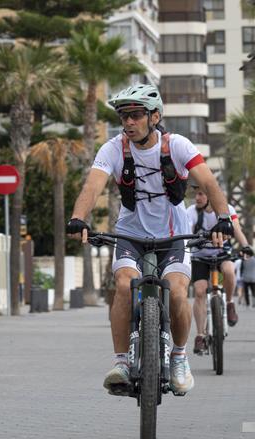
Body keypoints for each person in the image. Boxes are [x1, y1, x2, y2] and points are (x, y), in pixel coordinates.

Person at [66, 83, 234, 396]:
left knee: (177, 291)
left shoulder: (178, 146)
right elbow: (92, 187)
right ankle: (121, 362)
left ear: (154, 117)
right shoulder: (114, 149)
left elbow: (209, 183)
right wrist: (79, 218)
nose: (128, 122)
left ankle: (180, 357)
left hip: (173, 234)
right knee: (124, 286)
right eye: (123, 117)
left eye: (135, 115)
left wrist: (223, 218)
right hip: (131, 233)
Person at [186, 185, 252, 354]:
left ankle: (229, 303)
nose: (197, 198)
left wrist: (245, 246)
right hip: (199, 257)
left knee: (229, 270)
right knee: (200, 291)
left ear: (211, 196)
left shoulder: (227, 209)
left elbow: (237, 230)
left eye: (201, 194)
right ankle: (200, 335)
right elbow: (185, 233)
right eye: (196, 194)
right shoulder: (191, 212)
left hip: (222, 254)